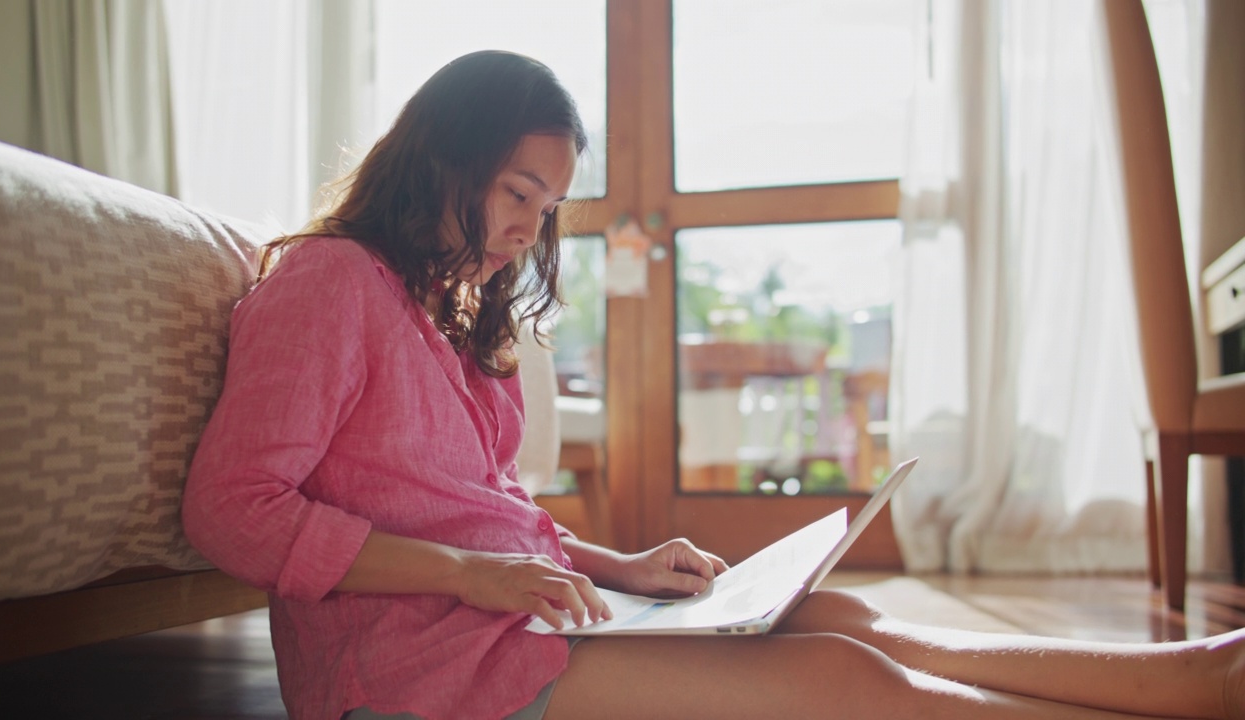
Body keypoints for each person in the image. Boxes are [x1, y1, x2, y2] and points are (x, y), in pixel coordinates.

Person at [182, 50, 1245, 720]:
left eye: (546, 207)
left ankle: (1196, 677)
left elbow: (485, 519)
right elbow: (233, 512)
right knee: (840, 680)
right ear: (440, 160)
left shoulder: (441, 314)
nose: (528, 228)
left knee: (838, 617)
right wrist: (471, 576)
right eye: (517, 192)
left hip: (511, 618)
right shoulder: (326, 286)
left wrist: (624, 566)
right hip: (405, 669)